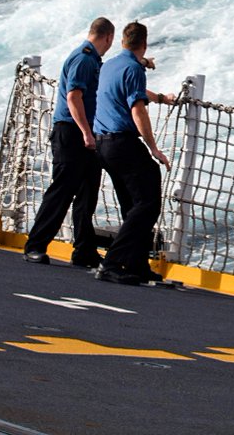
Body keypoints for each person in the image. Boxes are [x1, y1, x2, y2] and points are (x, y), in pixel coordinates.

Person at [22, 17, 115, 268]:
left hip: (85, 132)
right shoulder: (84, 59)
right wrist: (86, 132)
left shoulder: (92, 59)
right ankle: (35, 245)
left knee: (87, 192)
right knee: (62, 191)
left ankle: (84, 250)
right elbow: (74, 97)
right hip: (72, 133)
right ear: (108, 37)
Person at [92, 21, 177, 284]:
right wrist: (154, 148)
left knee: (131, 205)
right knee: (148, 202)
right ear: (144, 43)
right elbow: (137, 109)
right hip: (122, 143)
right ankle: (113, 262)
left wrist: (159, 96)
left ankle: (136, 264)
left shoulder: (111, 65)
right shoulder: (133, 69)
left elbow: (131, 88)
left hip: (102, 144)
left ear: (121, 42)